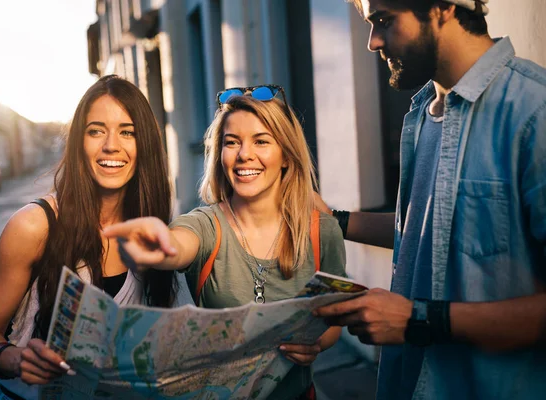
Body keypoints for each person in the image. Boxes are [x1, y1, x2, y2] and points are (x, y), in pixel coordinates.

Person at [315, 0, 546, 399]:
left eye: (384, 21)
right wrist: (329, 221)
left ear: (442, 7)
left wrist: (418, 320)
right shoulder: (425, 112)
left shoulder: (533, 112)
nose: (372, 42)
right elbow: (431, 231)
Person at [104, 85, 347, 399]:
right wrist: (162, 245)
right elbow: (180, 243)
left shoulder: (323, 232)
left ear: (286, 155)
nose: (245, 154)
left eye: (261, 141)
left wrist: (315, 344)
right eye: (232, 142)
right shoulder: (207, 225)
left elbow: (334, 320)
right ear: (220, 156)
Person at [0, 75, 178, 400]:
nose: (111, 145)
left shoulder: (152, 227)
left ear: (145, 144)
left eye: (127, 132)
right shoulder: (34, 225)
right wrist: (12, 358)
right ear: (79, 141)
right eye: (96, 131)